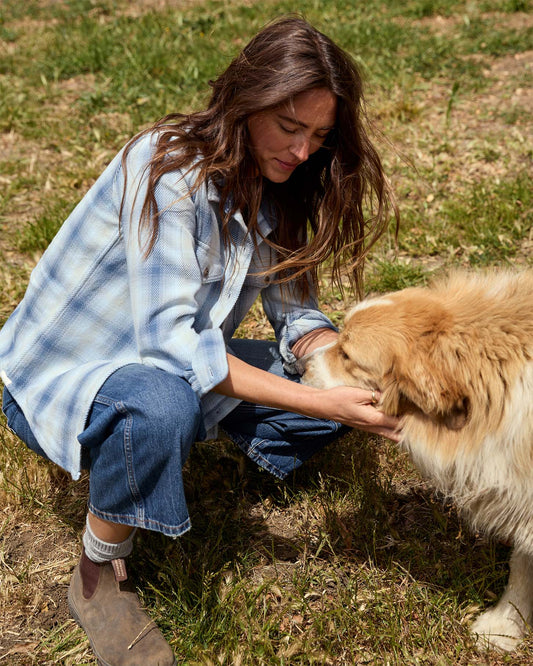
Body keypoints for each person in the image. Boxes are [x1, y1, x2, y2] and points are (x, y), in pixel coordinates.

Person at [0, 16, 400, 666]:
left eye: (319, 137)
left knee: (328, 385)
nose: (302, 152)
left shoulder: (280, 188)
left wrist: (339, 374)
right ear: (247, 100)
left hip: (165, 361)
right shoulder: (170, 170)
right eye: (289, 127)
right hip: (60, 377)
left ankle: (158, 456)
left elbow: (298, 318)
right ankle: (99, 574)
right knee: (164, 402)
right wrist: (321, 405)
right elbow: (172, 350)